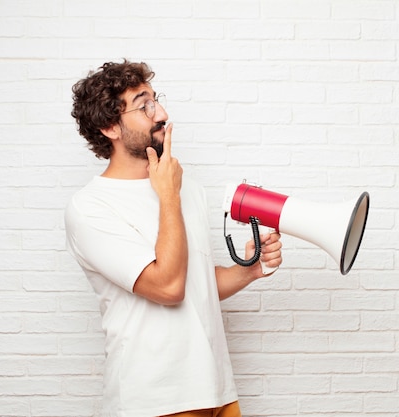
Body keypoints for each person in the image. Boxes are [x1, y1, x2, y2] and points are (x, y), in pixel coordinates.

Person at [64, 60, 283, 417]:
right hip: (155, 400)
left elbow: (195, 282)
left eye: (156, 99)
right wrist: (168, 196)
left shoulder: (186, 189)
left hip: (217, 391)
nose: (161, 113)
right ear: (109, 127)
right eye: (143, 104)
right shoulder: (90, 208)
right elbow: (168, 288)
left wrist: (250, 270)